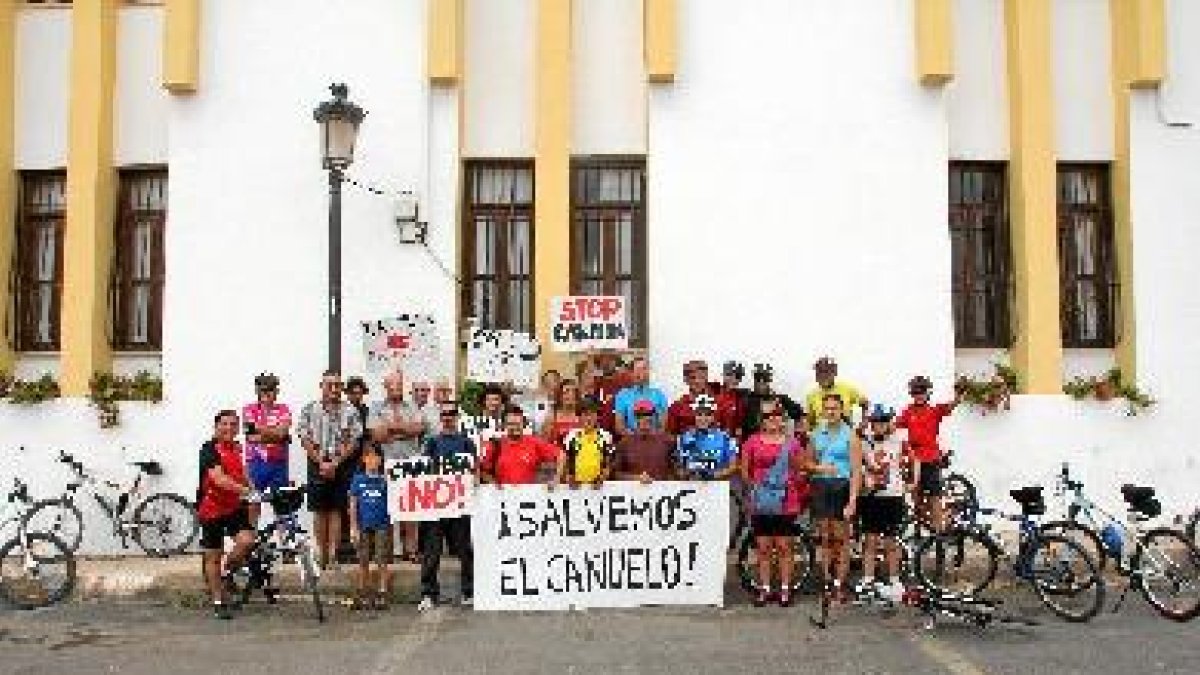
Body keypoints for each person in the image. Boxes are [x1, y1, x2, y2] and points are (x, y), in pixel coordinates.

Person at [740, 398, 805, 607]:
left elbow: (799, 469)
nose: (774, 420)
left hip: (786, 500)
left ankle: (785, 589)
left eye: (778, 416)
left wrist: (786, 486)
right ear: (762, 420)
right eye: (769, 417)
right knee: (763, 547)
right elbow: (744, 470)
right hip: (761, 500)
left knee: (785, 546)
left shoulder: (792, 443)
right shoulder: (752, 441)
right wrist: (757, 489)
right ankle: (765, 588)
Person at [298, 370, 362, 570]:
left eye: (337, 385)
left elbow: (354, 440)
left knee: (335, 510)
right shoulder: (309, 409)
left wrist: (335, 463)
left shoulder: (350, 411)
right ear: (322, 386)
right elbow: (304, 437)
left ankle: (333, 556)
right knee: (319, 510)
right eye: (330, 385)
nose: (334, 389)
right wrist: (321, 462)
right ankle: (321, 554)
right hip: (317, 462)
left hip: (340, 465)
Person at [418, 401, 477, 610]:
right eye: (444, 414)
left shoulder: (467, 443)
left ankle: (469, 591)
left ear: (457, 416)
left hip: (459, 506)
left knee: (464, 550)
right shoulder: (431, 442)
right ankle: (428, 593)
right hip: (436, 507)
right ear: (440, 418)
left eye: (452, 413)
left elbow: (474, 471)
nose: (448, 417)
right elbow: (422, 470)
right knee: (431, 552)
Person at [197, 409, 255, 620]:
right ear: (216, 426)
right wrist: (245, 491)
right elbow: (219, 479)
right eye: (225, 424)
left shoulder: (237, 448)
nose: (229, 428)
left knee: (247, 542)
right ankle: (218, 601)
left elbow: (243, 473)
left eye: (233, 425)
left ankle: (226, 572)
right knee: (213, 556)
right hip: (211, 508)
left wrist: (254, 489)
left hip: (233, 507)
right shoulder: (209, 449)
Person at [808, 392, 863, 603]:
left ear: (842, 411)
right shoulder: (816, 434)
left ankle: (839, 585)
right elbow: (807, 463)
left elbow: (857, 471)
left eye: (835, 408)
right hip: (822, 486)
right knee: (825, 539)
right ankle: (826, 581)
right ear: (823, 411)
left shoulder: (851, 436)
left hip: (842, 487)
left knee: (842, 540)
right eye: (827, 408)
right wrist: (820, 467)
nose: (830, 412)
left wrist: (852, 501)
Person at [368, 371, 425, 562]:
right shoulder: (376, 407)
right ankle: (392, 551)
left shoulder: (412, 405)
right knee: (390, 508)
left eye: (400, 385)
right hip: (387, 464)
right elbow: (377, 435)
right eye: (393, 385)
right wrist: (403, 429)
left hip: (411, 464)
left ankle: (411, 550)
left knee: (411, 509)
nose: (397, 388)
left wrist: (391, 428)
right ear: (385, 386)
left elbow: (418, 429)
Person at [855, 404, 907, 603]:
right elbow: (856, 432)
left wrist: (913, 481)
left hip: (893, 496)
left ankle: (894, 579)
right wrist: (864, 418)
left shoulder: (898, 440)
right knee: (870, 540)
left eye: (884, 421)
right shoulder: (864, 442)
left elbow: (914, 458)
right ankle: (868, 579)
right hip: (871, 497)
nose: (880, 425)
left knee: (891, 542)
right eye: (876, 421)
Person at [896, 374, 961, 533]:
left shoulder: (934, 410)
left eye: (921, 391)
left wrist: (959, 394)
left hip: (931, 458)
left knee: (934, 497)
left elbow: (951, 405)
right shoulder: (908, 411)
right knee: (916, 499)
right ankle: (919, 532)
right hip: (914, 459)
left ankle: (939, 532)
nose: (918, 395)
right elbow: (893, 425)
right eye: (915, 392)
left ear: (927, 393)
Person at [241, 373, 292, 526]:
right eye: (263, 390)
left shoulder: (284, 409)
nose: (267, 393)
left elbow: (282, 433)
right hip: (256, 463)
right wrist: (277, 435)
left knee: (282, 505)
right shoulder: (249, 409)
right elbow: (251, 437)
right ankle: (251, 541)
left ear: (277, 391)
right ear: (257, 391)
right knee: (253, 503)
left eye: (271, 389)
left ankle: (285, 544)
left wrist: (262, 431)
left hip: (279, 464)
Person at [348, 445, 392, 610]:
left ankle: (382, 591)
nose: (373, 460)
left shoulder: (384, 480)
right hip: (363, 524)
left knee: (381, 558)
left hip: (382, 523)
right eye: (369, 457)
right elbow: (352, 504)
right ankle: (362, 591)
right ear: (364, 459)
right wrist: (354, 527)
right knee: (363, 559)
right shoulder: (358, 480)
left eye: (376, 457)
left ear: (381, 460)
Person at [478, 406, 560, 486]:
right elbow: (482, 471)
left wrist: (556, 479)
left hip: (528, 496)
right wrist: (494, 484)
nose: (514, 427)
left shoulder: (534, 442)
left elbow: (561, 456)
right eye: (510, 424)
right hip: (502, 497)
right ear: (504, 425)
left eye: (518, 424)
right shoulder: (495, 445)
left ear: (523, 424)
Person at [554, 396, 616, 487]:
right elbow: (564, 459)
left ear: (597, 416)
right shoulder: (571, 436)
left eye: (592, 414)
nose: (589, 418)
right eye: (585, 414)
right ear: (580, 417)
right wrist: (564, 477)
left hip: (598, 488)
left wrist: (602, 478)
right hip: (576, 489)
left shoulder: (606, 436)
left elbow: (609, 463)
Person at [676, 395, 739, 481]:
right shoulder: (684, 437)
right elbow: (680, 468)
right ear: (694, 415)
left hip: (716, 487)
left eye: (707, 415)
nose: (703, 418)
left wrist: (713, 475)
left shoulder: (725, 438)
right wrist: (687, 473)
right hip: (692, 487)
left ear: (713, 417)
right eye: (699, 414)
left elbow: (733, 466)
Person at [614, 400, 676, 482]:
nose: (645, 418)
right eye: (640, 415)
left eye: (649, 414)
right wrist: (636, 478)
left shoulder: (668, 440)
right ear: (635, 418)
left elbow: (676, 470)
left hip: (662, 492)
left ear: (654, 416)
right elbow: (616, 474)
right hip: (633, 492)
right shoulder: (625, 443)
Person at [805, 356, 868, 431]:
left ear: (834, 372)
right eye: (819, 372)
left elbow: (864, 403)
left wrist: (864, 420)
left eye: (826, 371)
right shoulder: (811, 395)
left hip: (845, 434)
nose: (823, 375)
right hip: (822, 437)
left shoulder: (847, 389)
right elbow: (810, 421)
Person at [741, 364, 803, 439]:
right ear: (754, 380)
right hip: (752, 445)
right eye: (758, 378)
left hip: (774, 444)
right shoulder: (745, 398)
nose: (761, 382)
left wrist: (797, 436)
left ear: (770, 381)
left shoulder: (781, 399)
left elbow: (800, 414)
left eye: (765, 379)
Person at [613, 356, 669, 435]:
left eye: (644, 369)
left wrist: (650, 437)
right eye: (638, 369)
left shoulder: (658, 394)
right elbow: (619, 426)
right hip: (631, 440)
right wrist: (636, 437)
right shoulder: (622, 395)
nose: (642, 372)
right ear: (631, 373)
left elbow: (663, 426)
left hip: (654, 439)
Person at [666, 360, 713, 437]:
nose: (697, 381)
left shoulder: (716, 403)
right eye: (693, 378)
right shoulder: (676, 407)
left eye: (701, 377)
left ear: (706, 378)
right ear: (686, 380)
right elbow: (669, 436)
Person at [461, 383, 509, 449]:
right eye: (489, 399)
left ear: (502, 402)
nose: (492, 403)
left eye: (496, 399)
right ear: (483, 402)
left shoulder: (507, 425)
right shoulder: (471, 423)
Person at [543, 378, 583, 446]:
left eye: (573, 392)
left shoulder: (582, 416)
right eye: (566, 392)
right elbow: (544, 443)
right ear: (560, 396)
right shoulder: (552, 417)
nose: (570, 395)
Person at [716, 361, 748, 441]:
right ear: (723, 375)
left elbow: (739, 425)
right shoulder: (714, 395)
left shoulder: (742, 397)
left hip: (733, 443)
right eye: (729, 375)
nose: (733, 379)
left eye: (737, 376)